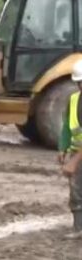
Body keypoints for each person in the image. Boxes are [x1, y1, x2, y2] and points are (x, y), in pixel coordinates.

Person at [58, 60, 82, 239]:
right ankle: (79, 228)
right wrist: (63, 148)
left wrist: (74, 161)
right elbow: (67, 125)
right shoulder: (74, 99)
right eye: (79, 83)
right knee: (76, 191)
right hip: (77, 151)